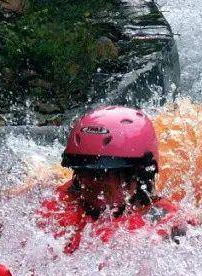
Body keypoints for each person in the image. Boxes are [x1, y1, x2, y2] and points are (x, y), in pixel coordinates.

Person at [38, 106, 188, 254]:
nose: (91, 182)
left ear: (138, 175)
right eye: (85, 172)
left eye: (104, 173)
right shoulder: (59, 205)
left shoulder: (163, 223)